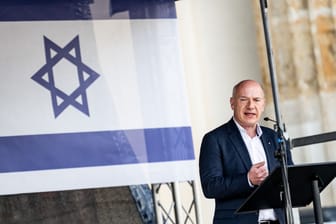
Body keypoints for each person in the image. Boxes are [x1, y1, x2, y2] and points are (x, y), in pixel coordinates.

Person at [199, 79, 293, 224]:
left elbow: (291, 175)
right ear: (232, 103)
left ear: (263, 104)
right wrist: (247, 179)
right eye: (244, 99)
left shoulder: (275, 137)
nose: (251, 106)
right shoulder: (214, 139)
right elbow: (210, 187)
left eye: (256, 100)